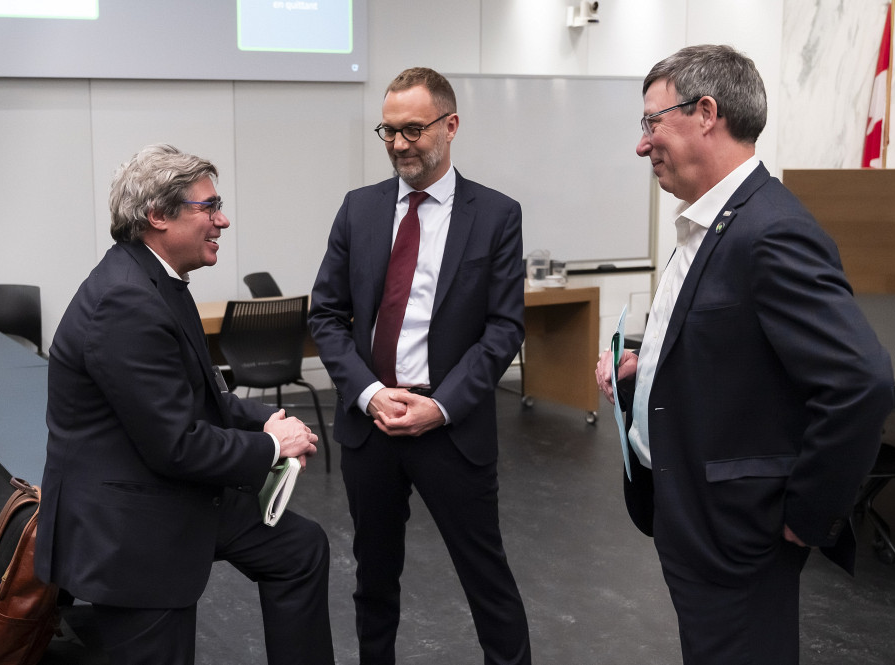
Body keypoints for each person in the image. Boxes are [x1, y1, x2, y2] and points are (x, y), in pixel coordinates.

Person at [595, 45, 895, 664]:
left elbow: (860, 384)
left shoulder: (772, 230)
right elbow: (724, 349)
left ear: (707, 113)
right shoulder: (708, 222)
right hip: (692, 515)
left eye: (652, 122)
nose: (641, 143)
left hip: (738, 532)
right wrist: (642, 373)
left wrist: (806, 517)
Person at [35, 144, 334, 665]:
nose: (222, 220)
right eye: (208, 207)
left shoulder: (160, 283)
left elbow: (202, 396)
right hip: (130, 526)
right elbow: (175, 445)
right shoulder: (126, 302)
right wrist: (269, 447)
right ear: (157, 216)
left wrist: (268, 419)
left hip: (162, 492)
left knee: (299, 550)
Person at [309, 67, 531, 665]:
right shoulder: (358, 210)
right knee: (373, 580)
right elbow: (326, 316)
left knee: (487, 580)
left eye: (414, 129)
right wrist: (369, 394)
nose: (400, 144)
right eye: (388, 131)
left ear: (450, 126)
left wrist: (440, 405)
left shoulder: (496, 215)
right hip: (371, 424)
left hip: (450, 426)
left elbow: (504, 328)